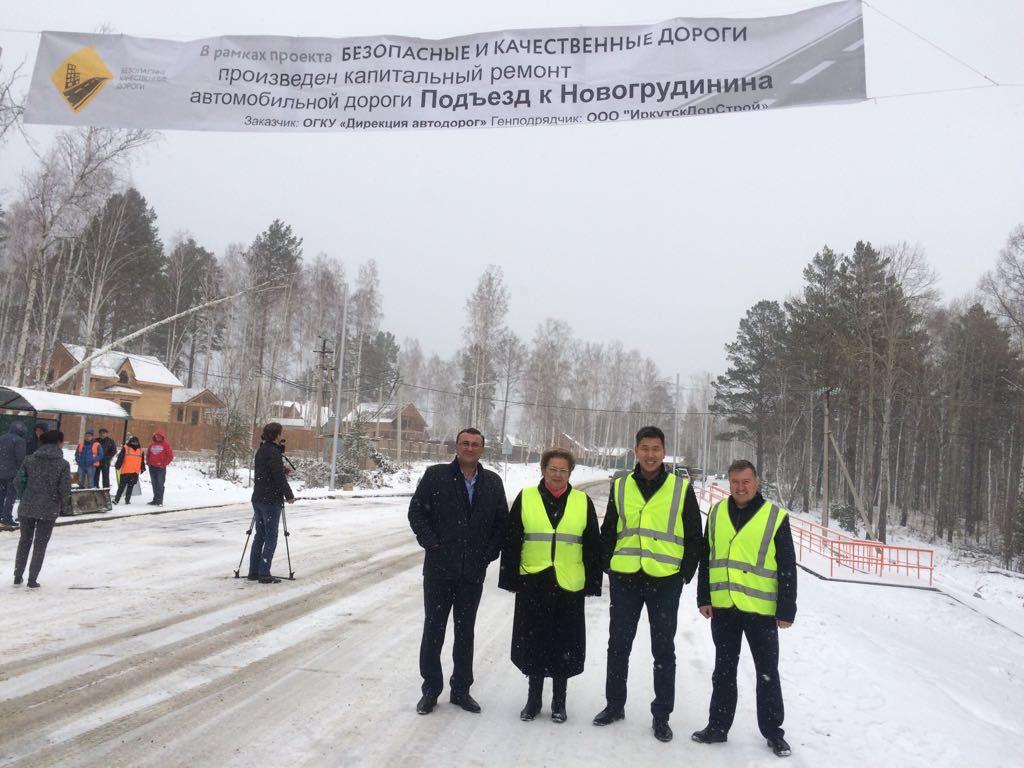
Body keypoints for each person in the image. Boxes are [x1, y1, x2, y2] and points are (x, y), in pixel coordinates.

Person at [593, 426, 704, 743]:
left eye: (656, 448)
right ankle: (614, 705)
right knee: (619, 645)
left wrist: (684, 574)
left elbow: (694, 536)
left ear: (664, 451)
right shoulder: (621, 485)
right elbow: (609, 529)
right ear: (635, 450)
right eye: (645, 448)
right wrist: (608, 566)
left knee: (663, 650)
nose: (650, 454)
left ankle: (661, 716)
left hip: (665, 579)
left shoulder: (681, 488)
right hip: (626, 577)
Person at [692, 459, 797, 759]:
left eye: (746, 481)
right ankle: (717, 727)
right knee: (723, 671)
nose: (740, 487)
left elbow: (787, 567)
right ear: (729, 482)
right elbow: (707, 557)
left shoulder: (774, 517)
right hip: (724, 608)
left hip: (760, 610)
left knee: (767, 673)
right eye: (735, 482)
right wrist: (703, 596)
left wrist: (786, 609)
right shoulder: (715, 513)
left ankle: (774, 733)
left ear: (757, 482)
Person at [408, 427, 508, 716]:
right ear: (456, 446)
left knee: (465, 632)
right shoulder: (436, 476)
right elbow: (417, 512)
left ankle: (461, 690)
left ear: (482, 449)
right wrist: (432, 544)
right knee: (434, 630)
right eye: (465, 443)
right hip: (439, 570)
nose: (470, 448)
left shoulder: (492, 482)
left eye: (476, 444)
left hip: (472, 572)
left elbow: (502, 522)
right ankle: (430, 690)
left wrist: (489, 553)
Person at [499, 448, 602, 724]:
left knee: (564, 643)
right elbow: (512, 539)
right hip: (534, 580)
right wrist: (510, 577)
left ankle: (559, 702)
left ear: (570, 473)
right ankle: (533, 701)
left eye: (563, 471)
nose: (557, 475)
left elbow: (593, 544)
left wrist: (593, 582)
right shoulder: (527, 497)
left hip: (569, 583)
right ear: (543, 470)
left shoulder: (582, 501)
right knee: (533, 641)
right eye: (552, 469)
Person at [13, 430, 71, 588]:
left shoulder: (29, 460)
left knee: (24, 541)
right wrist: (62, 504)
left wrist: (26, 495)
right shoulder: (63, 464)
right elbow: (65, 490)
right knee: (40, 544)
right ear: (59, 442)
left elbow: (18, 482)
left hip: (27, 506)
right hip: (48, 508)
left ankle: (18, 575)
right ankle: (32, 579)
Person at [248, 422, 295, 584]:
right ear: (276, 435)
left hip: (258, 498)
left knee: (259, 535)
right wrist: (289, 495)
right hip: (270, 500)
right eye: (280, 433)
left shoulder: (261, 450)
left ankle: (253, 571)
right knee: (271, 537)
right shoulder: (274, 453)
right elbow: (278, 477)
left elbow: (265, 472)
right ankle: (264, 573)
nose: (281, 436)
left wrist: (281, 469)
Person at [0, 421, 28, 529]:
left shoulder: (1, 438)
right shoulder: (20, 441)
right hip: (12, 473)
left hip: (1, 472)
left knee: (1, 495)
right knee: (11, 496)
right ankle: (7, 518)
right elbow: (21, 458)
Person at [113, 436, 146, 504]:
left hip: (135, 472)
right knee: (121, 487)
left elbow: (142, 461)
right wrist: (118, 465)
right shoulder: (126, 448)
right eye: (133, 442)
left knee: (130, 487)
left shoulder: (140, 451)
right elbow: (120, 457)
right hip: (126, 471)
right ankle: (116, 499)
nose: (134, 443)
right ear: (130, 442)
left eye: (136, 442)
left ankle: (127, 500)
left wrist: (142, 468)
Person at [145, 430, 174, 506]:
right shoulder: (152, 445)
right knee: (154, 484)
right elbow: (148, 454)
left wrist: (163, 464)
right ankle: (155, 500)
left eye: (159, 436)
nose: (157, 437)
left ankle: (160, 501)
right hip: (152, 467)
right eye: (156, 436)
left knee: (160, 484)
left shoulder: (166, 445)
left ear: (162, 437)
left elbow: (170, 456)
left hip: (160, 468)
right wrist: (148, 462)